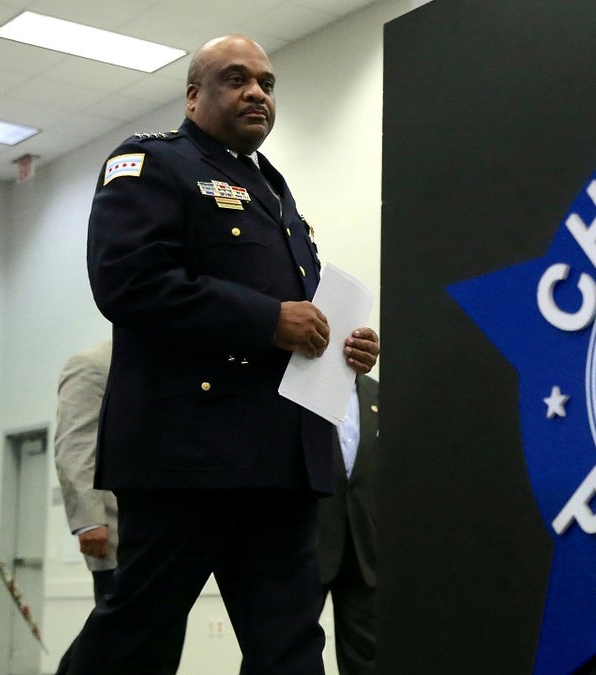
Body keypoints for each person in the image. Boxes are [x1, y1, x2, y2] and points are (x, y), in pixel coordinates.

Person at [62, 34, 380, 675]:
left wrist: (338, 344)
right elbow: (127, 282)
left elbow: (296, 316)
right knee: (137, 638)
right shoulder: (153, 165)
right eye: (236, 79)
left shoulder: (276, 194)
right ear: (193, 95)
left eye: (266, 82)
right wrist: (269, 321)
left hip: (280, 460)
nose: (256, 92)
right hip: (188, 456)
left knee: (291, 647)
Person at [52, 341, 185, 674]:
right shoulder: (91, 364)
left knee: (158, 645)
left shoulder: (170, 361)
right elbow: (74, 444)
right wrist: (88, 521)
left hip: (172, 540)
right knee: (116, 644)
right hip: (117, 539)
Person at [317, 375, 380, 675]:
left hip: (365, 552)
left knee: (368, 660)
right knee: (280, 654)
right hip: (306, 548)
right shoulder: (301, 388)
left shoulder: (379, 394)